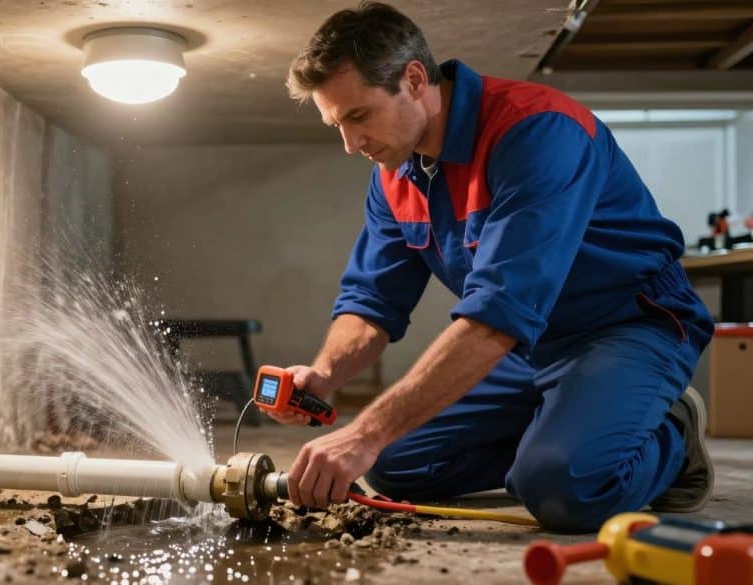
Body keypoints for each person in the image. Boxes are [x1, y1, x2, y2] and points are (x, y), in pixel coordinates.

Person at [274, 1, 715, 533]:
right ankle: (572, 425)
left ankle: (671, 433)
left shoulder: (538, 132)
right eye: (335, 124)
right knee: (396, 464)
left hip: (628, 325)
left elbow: (497, 316)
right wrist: (325, 374)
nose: (350, 144)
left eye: (358, 116)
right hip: (533, 344)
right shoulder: (395, 172)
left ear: (414, 80)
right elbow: (371, 303)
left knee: (562, 490)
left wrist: (363, 433)